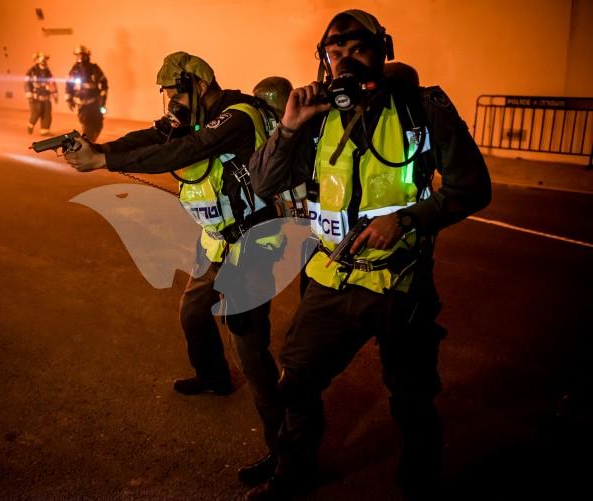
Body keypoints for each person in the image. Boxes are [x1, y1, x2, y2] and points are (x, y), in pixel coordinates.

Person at [246, 9, 491, 500]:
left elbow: (472, 188)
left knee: (412, 391)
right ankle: (293, 470)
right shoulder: (314, 117)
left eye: (357, 50)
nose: (345, 62)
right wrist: (290, 127)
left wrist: (405, 220)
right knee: (295, 381)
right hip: (332, 278)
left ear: (382, 51)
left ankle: (421, 474)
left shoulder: (423, 108)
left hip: (401, 283)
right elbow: (263, 184)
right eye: (335, 53)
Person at [63, 51, 285, 484]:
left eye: (176, 94)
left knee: (251, 349)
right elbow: (151, 136)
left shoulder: (235, 117)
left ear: (200, 87)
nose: (171, 105)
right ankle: (214, 378)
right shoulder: (196, 116)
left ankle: (285, 449)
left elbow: (189, 149)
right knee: (193, 312)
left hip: (253, 242)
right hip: (217, 240)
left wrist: (104, 163)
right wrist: (100, 149)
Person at [65, 45, 108, 141]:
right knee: (87, 125)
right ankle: (88, 145)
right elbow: (69, 85)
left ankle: (91, 141)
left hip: (95, 102)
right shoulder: (74, 70)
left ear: (87, 55)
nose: (80, 57)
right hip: (82, 104)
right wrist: (69, 100)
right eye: (78, 55)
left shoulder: (94, 68)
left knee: (98, 124)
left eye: (82, 55)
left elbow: (104, 83)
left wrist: (103, 99)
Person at [25, 52, 58, 135]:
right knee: (36, 112)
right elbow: (27, 83)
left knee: (47, 113)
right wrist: (29, 93)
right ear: (37, 60)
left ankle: (45, 130)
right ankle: (30, 125)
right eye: (42, 60)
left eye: (45, 60)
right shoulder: (32, 71)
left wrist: (55, 94)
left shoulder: (47, 72)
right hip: (36, 97)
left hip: (46, 96)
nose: (44, 61)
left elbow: (52, 83)